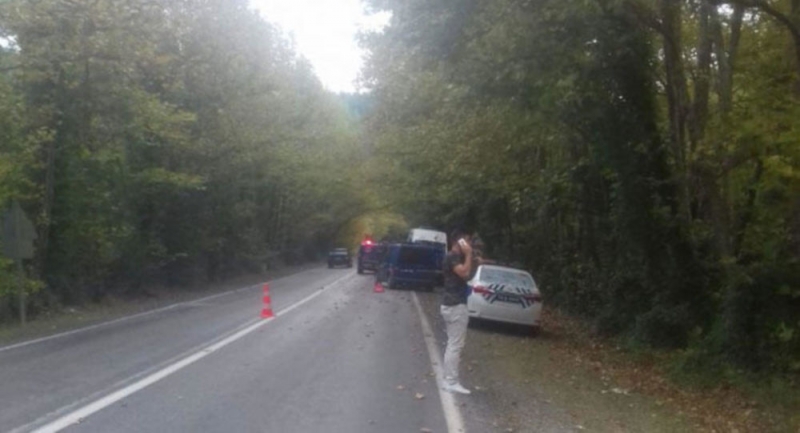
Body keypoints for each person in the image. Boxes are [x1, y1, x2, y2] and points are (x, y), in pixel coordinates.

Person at [440, 229, 474, 395]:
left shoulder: (452, 257)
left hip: (450, 304)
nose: (469, 245)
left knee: (453, 343)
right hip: (455, 305)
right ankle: (451, 381)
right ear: (459, 243)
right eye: (466, 242)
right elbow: (465, 273)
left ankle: (448, 378)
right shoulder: (452, 257)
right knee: (455, 345)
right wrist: (468, 255)